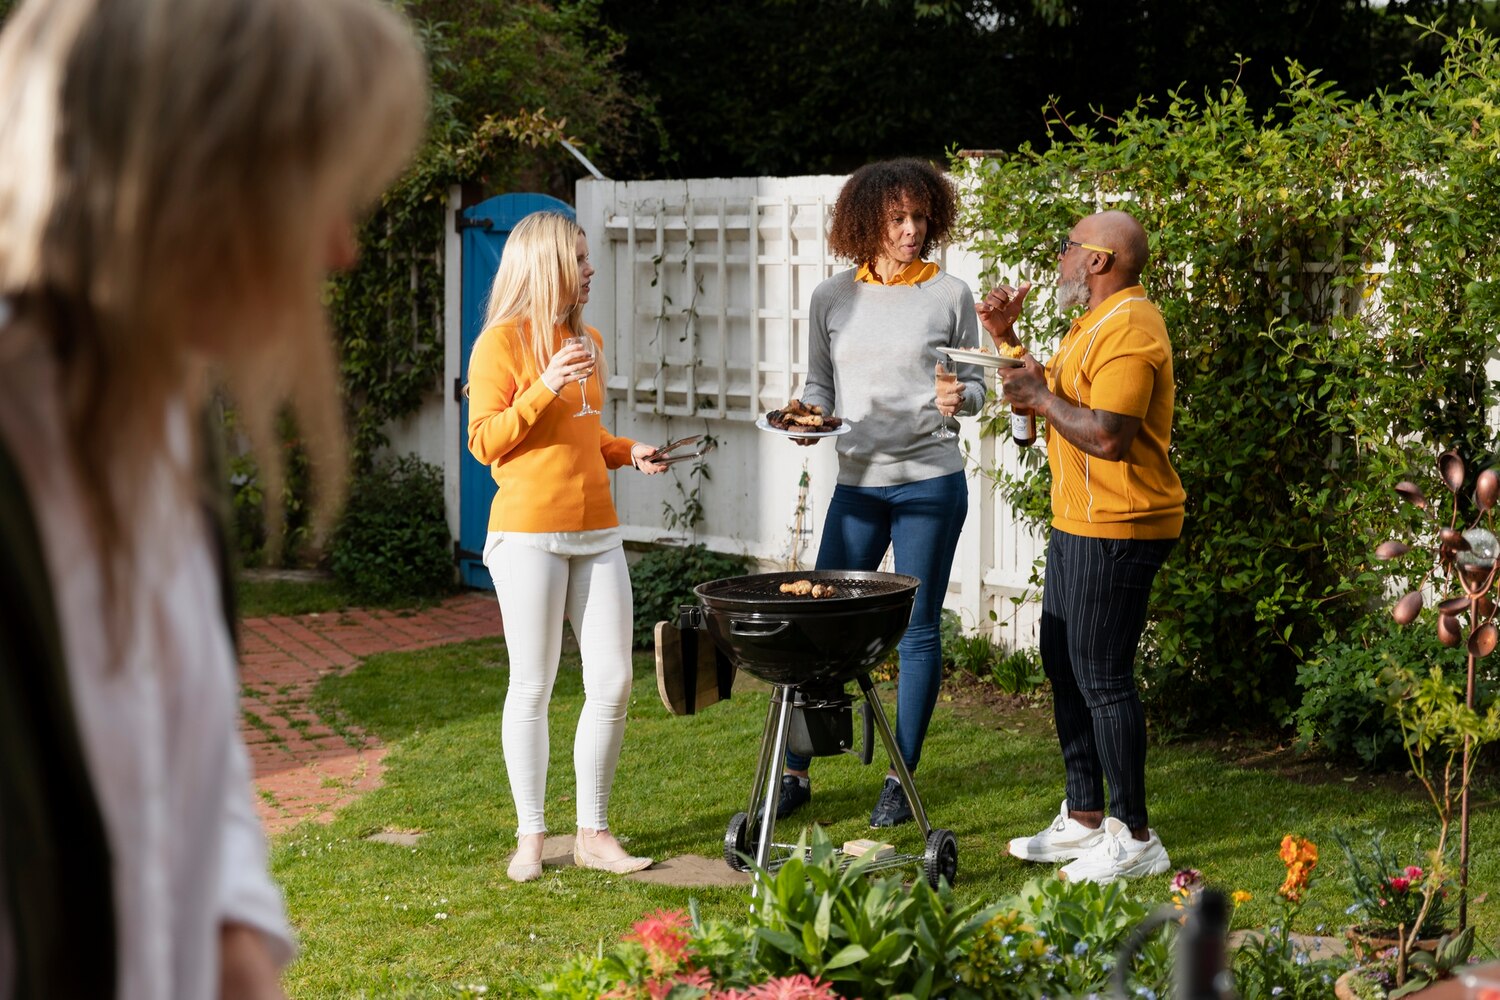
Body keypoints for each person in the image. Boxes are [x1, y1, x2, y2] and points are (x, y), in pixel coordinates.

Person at [0, 0, 428, 997]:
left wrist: (238, 935)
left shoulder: (160, 424)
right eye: (318, 194)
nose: (339, 250)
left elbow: (178, 762)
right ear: (187, 179)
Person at [776, 158, 987, 828]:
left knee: (918, 631)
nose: (911, 231)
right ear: (867, 220)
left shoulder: (950, 295)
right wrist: (805, 421)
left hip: (930, 483)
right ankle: (795, 774)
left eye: (921, 217)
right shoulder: (833, 298)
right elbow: (818, 389)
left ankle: (901, 779)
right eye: (898, 218)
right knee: (820, 623)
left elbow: (976, 390)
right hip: (859, 488)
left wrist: (961, 398)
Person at [978, 209, 1185, 884]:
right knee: (1064, 664)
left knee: (1102, 675)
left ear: (1099, 261)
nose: (1061, 258)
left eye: (1069, 247)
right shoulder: (1090, 325)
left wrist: (1039, 397)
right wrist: (1007, 341)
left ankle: (1135, 836)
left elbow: (1108, 436)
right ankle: (1086, 815)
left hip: (1121, 526)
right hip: (1079, 523)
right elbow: (1042, 402)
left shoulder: (1132, 328)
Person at [466, 211, 669, 883]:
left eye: (587, 260)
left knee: (613, 679)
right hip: (528, 535)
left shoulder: (590, 340)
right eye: (579, 261)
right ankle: (531, 836)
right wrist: (545, 385)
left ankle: (594, 833)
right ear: (547, 266)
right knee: (534, 683)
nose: (590, 271)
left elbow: (583, 439)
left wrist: (627, 450)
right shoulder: (500, 345)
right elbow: (487, 441)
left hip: (597, 531)